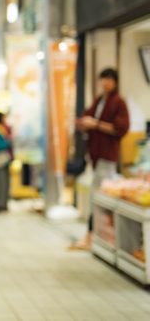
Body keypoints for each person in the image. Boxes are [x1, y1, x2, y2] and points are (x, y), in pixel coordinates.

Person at [71, 68, 129, 250]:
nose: (105, 83)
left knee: (97, 196)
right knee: (98, 197)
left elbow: (121, 129)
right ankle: (96, 237)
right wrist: (81, 123)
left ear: (115, 82)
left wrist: (95, 124)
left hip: (107, 156)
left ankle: (91, 237)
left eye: (108, 80)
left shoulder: (118, 103)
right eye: (103, 79)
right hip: (95, 155)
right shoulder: (99, 101)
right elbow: (87, 117)